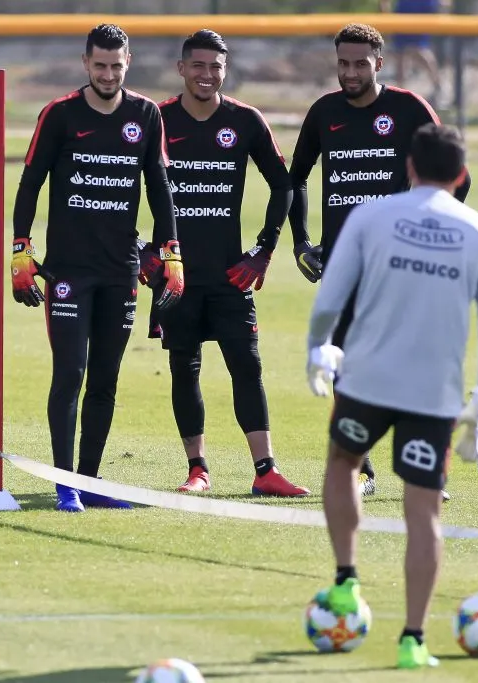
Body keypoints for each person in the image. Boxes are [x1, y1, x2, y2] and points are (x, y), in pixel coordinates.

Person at [305, 122, 478, 669]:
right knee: (423, 511)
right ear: (462, 175)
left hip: (367, 379)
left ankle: (346, 579)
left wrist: (317, 346)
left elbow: (331, 293)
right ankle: (413, 639)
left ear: (409, 167)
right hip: (433, 393)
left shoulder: (371, 216)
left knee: (343, 462)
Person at [287, 22, 471, 499]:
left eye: (360, 64)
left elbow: (459, 177)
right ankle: (361, 469)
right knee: (348, 364)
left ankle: (425, 467)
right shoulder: (324, 112)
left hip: (401, 265)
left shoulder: (409, 109)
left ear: (379, 64)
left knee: (417, 358)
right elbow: (296, 177)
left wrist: (432, 230)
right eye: (343, 63)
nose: (350, 72)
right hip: (345, 265)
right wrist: (301, 241)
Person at [11, 23, 185, 513]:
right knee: (71, 372)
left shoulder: (146, 114)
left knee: (106, 378)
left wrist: (171, 251)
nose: (108, 74)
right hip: (68, 271)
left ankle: (89, 480)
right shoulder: (60, 114)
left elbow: (160, 187)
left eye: (117, 65)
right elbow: (30, 184)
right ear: (86, 63)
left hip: (120, 270)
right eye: (100, 65)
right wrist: (20, 248)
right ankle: (63, 482)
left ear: (128, 63)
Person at [140, 29, 309, 497]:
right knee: (183, 367)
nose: (206, 74)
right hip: (175, 276)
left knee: (247, 367)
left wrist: (265, 249)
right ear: (181, 69)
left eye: (215, 66)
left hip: (230, 274)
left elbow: (285, 184)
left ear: (225, 70)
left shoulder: (246, 121)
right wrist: (141, 251)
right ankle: (197, 470)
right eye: (197, 65)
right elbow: (114, 183)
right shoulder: (155, 120)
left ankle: (266, 471)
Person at [378, 0, 448, 107]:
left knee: (420, 50)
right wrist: (386, 13)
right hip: (403, 13)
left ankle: (438, 87)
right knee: (401, 54)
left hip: (419, 11)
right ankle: (401, 93)